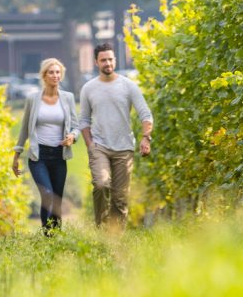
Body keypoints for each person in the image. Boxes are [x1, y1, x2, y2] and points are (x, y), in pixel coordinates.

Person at [78, 42, 153, 230]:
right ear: (96, 62)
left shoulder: (128, 86)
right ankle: (102, 229)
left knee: (120, 198)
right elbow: (84, 120)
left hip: (124, 148)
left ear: (115, 60)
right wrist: (90, 145)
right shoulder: (88, 88)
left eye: (110, 59)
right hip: (99, 147)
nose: (108, 63)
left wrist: (146, 137)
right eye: (103, 60)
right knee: (102, 185)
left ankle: (115, 238)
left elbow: (145, 114)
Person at [12, 58, 79, 233]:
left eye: (58, 72)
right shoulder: (33, 99)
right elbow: (25, 128)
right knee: (47, 195)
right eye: (51, 72)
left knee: (56, 198)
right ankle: (47, 235)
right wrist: (17, 155)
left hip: (59, 155)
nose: (55, 76)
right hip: (38, 155)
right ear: (44, 75)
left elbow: (76, 126)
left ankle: (56, 238)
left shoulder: (68, 98)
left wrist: (72, 136)